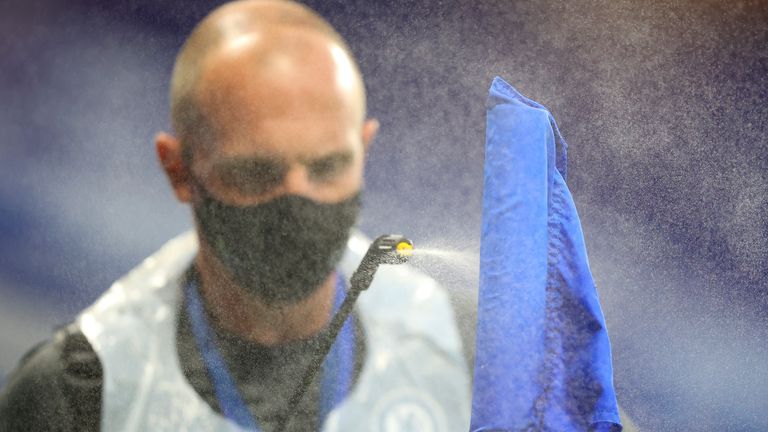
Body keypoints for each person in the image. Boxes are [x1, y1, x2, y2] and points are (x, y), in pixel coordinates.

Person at [0, 1, 470, 430]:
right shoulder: (81, 392)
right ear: (178, 169)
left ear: (363, 151)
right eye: (255, 172)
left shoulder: (458, 351)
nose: (296, 205)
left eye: (327, 167)